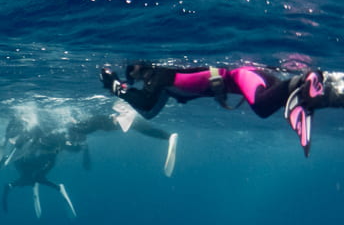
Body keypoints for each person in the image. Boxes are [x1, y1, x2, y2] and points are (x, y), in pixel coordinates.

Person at [0, 105, 176, 217]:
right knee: (91, 125)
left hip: (51, 141)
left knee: (85, 126)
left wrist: (14, 140)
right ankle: (163, 135)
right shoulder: (28, 142)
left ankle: (125, 120)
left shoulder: (29, 137)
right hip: (54, 142)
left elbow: (33, 138)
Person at [99, 61, 337, 156]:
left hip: (244, 76)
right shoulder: (162, 80)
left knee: (263, 108)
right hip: (250, 77)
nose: (138, 79)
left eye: (135, 74)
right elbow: (150, 110)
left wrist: (117, 88)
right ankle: (330, 93)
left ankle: (302, 81)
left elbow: (147, 105)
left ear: (141, 69)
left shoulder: (159, 76)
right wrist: (121, 89)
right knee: (297, 100)